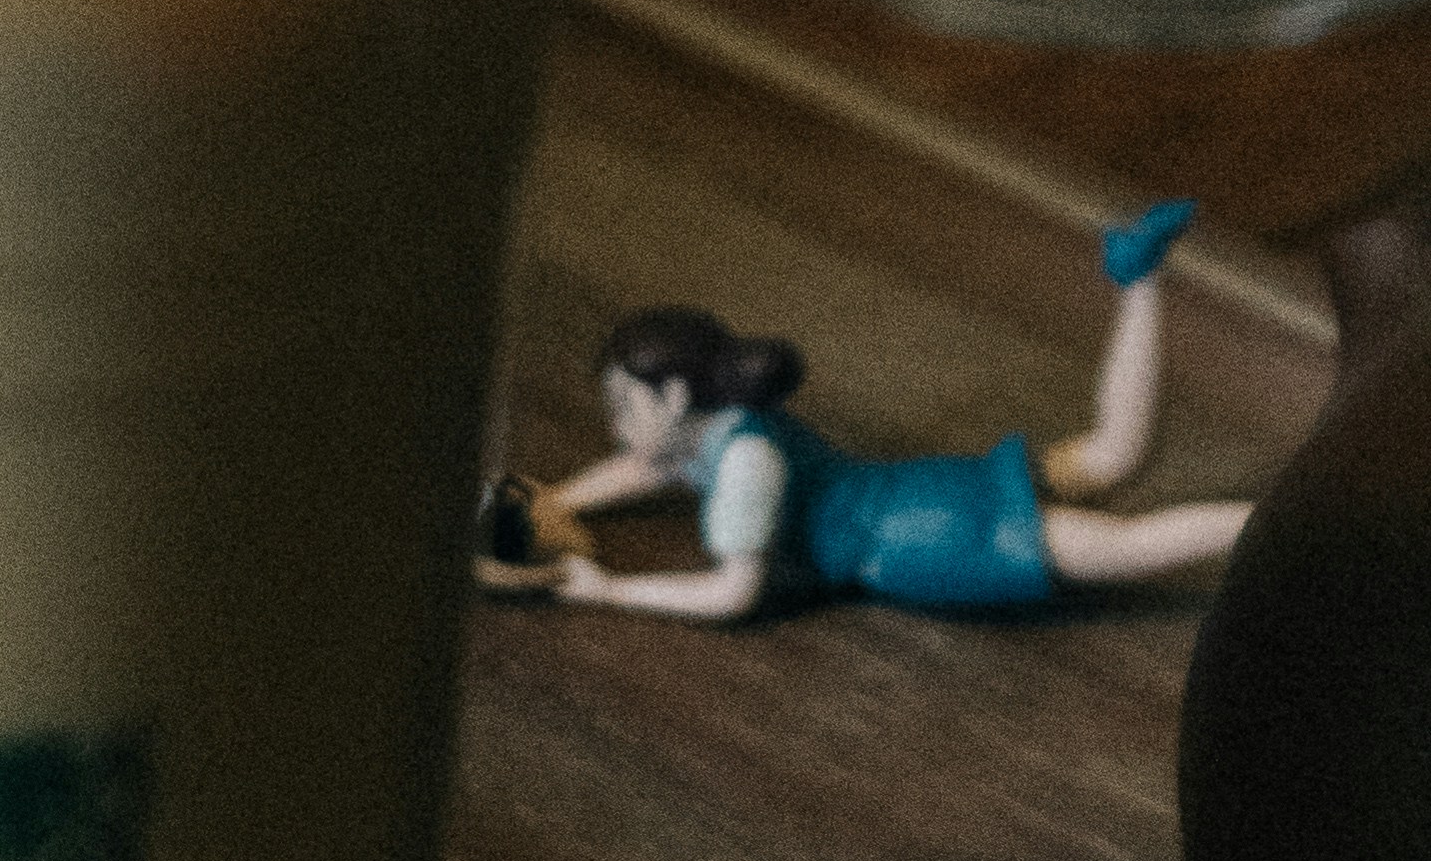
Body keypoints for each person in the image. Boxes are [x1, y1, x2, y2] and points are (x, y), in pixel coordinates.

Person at [485, 204, 1247, 626]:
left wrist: (607, 590)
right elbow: (641, 466)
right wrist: (559, 497)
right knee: (1112, 455)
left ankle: (1301, 526)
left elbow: (732, 592)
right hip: (922, 491)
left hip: (923, 539)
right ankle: (1138, 280)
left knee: (1132, 543)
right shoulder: (720, 430)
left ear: (675, 398)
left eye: (623, 403)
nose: (615, 421)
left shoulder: (746, 463)